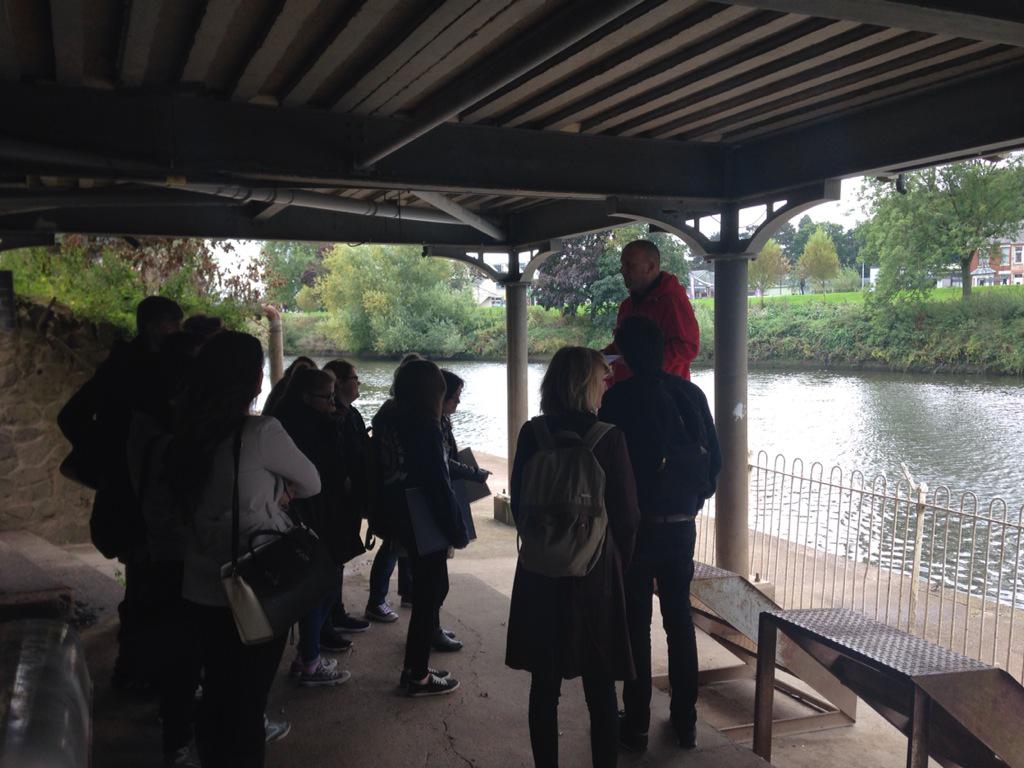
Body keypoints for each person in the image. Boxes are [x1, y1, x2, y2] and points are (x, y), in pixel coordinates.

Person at [170, 331, 320, 767]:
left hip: (198, 586)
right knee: (247, 704)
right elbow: (312, 480)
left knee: (217, 693)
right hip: (253, 587)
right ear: (253, 380)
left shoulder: (184, 432)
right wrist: (282, 497)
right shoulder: (260, 432)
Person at [506, 347, 640, 768]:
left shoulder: (533, 434)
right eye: (603, 379)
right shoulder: (609, 437)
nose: (607, 386)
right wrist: (619, 563)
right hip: (594, 575)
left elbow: (519, 499)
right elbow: (628, 516)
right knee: (600, 689)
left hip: (539, 571)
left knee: (543, 687)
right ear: (587, 384)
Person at [598, 315, 721, 752]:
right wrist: (692, 503)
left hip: (634, 529)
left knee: (636, 624)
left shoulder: (618, 400)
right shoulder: (690, 394)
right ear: (663, 349)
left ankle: (635, 723)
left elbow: (604, 468)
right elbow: (715, 462)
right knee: (679, 622)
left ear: (627, 355)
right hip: (680, 527)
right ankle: (685, 723)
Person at [58, 295, 183, 691]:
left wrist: (106, 458)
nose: (175, 334)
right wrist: (114, 457)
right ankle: (145, 673)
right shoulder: (142, 369)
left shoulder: (119, 366)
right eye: (171, 326)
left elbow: (72, 417)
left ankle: (135, 670)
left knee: (144, 583)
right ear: (153, 326)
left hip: (129, 489)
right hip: (142, 494)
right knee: (154, 585)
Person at [372, 359, 467, 696]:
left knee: (426, 591)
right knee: (431, 592)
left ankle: (418, 668)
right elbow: (437, 486)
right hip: (423, 521)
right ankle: (417, 674)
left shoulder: (389, 417)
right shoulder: (425, 427)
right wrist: (456, 529)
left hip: (396, 513)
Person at [274, 368, 358, 685]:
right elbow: (323, 472)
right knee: (320, 583)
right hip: (314, 514)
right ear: (307, 397)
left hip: (317, 513)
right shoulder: (304, 427)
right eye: (327, 397)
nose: (333, 403)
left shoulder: (296, 420)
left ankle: (309, 653)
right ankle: (309, 658)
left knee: (322, 583)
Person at [365, 354, 422, 623]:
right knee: (393, 546)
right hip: (397, 491)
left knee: (403, 543)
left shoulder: (389, 409)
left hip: (390, 488)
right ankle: (376, 600)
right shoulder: (402, 413)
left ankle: (407, 591)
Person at [320, 359, 372, 635]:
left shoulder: (349, 413)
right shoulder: (334, 415)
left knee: (338, 559)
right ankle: (326, 622)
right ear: (338, 383)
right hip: (337, 500)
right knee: (331, 559)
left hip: (349, 499)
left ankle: (335, 612)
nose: (358, 382)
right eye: (354, 377)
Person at [603, 239, 699, 383]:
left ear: (650, 267)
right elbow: (623, 347)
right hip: (629, 394)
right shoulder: (627, 305)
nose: (622, 271)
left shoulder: (672, 301)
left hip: (663, 394)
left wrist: (638, 360)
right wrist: (601, 356)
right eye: (622, 265)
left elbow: (687, 347)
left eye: (629, 265)